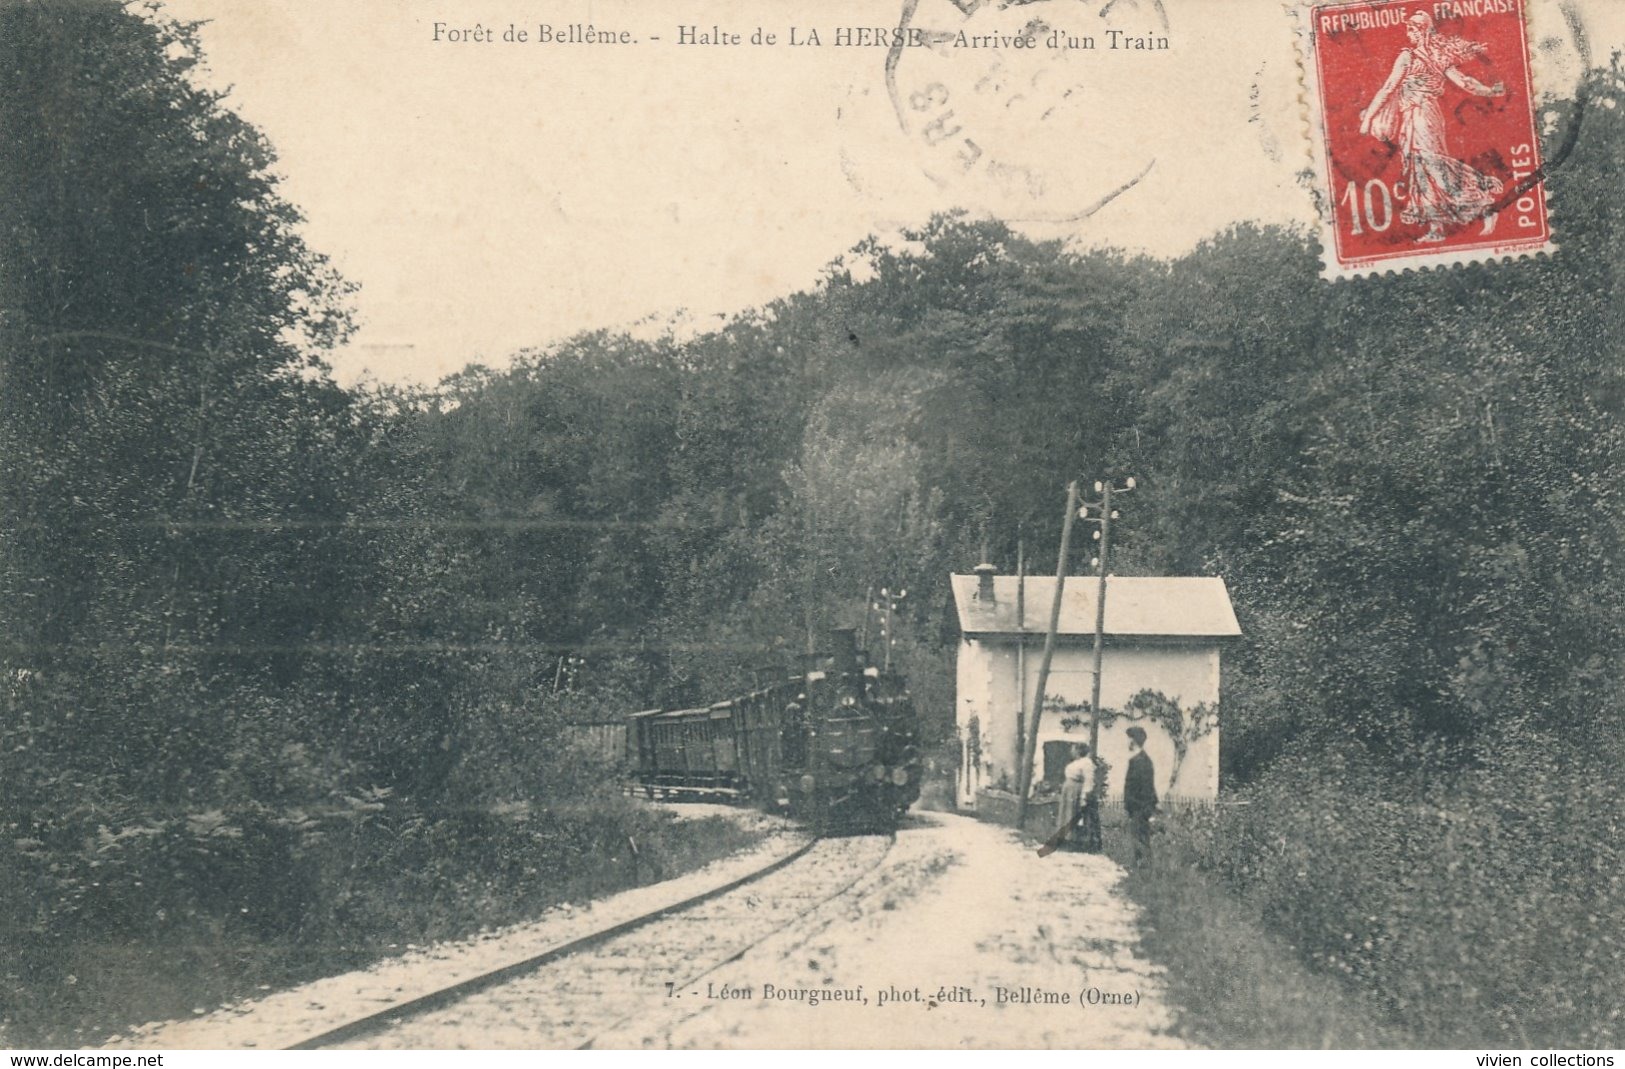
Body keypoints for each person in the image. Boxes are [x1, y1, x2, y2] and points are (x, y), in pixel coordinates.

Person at [1358, 11, 1507, 244]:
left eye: (1411, 29)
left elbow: (1388, 88)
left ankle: (1483, 201)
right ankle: (1436, 229)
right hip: (1426, 116)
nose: (1408, 34)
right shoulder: (1438, 58)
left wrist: (1368, 118)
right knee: (1423, 170)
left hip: (1419, 116)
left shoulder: (1408, 57)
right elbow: (1465, 82)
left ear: (1421, 31)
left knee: (1431, 166)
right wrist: (1489, 91)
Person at [1056, 744, 1101, 853]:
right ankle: (1065, 838)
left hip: (1075, 791)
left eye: (1073, 749)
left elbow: (1089, 780)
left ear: (1078, 750)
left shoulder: (1086, 762)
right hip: (1069, 791)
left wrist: (1084, 796)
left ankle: (1075, 841)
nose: (1071, 751)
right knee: (1066, 813)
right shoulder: (1077, 762)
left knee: (1073, 814)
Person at [1123, 726, 1158, 862]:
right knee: (1138, 839)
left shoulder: (1141, 761)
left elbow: (1144, 787)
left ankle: (1143, 870)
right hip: (1137, 807)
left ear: (1133, 741)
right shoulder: (1139, 760)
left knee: (1141, 839)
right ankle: (1140, 868)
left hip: (1139, 807)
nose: (1127, 743)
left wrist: (1142, 807)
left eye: (1128, 739)